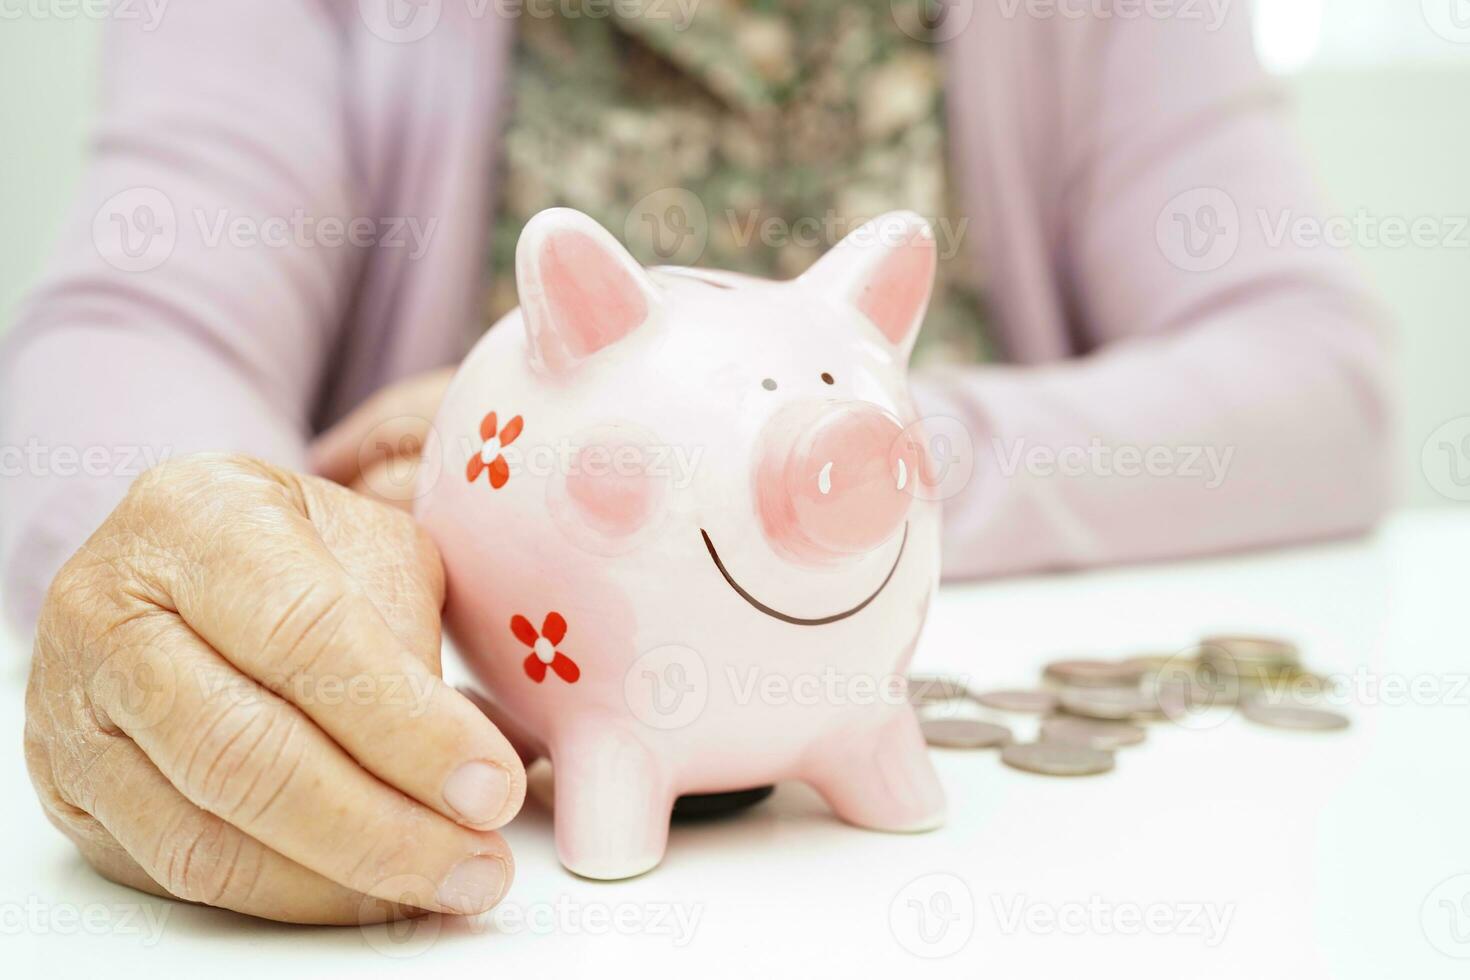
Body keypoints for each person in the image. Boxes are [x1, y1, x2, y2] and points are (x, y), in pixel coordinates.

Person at [1, 0, 1391, 924]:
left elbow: (1315, 383)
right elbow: (135, 322)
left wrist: (879, 443)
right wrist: (220, 554)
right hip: (539, 728)